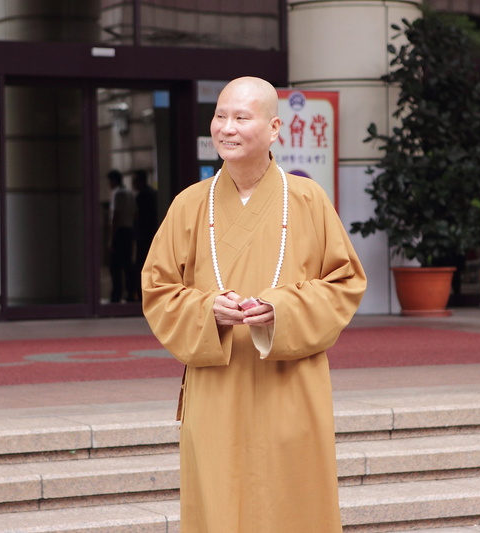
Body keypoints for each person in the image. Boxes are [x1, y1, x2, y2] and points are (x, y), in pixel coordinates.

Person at [141, 77, 366, 533]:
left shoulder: (307, 199)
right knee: (219, 499)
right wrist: (207, 311)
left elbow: (345, 282)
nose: (227, 127)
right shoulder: (189, 205)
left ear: (274, 127)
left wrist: (283, 309)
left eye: (242, 117)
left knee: (291, 500)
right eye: (221, 116)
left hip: (290, 384)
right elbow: (158, 288)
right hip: (216, 386)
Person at [107, 169, 137, 303]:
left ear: (113, 181)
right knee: (127, 264)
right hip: (129, 231)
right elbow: (135, 213)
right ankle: (131, 292)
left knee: (115, 265)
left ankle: (116, 294)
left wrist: (111, 239)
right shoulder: (130, 193)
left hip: (120, 232)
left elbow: (116, 216)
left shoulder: (117, 193)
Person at [132, 169, 158, 280]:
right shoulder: (152, 192)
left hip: (144, 234)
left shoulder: (142, 195)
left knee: (142, 262)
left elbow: (138, 216)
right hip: (151, 232)